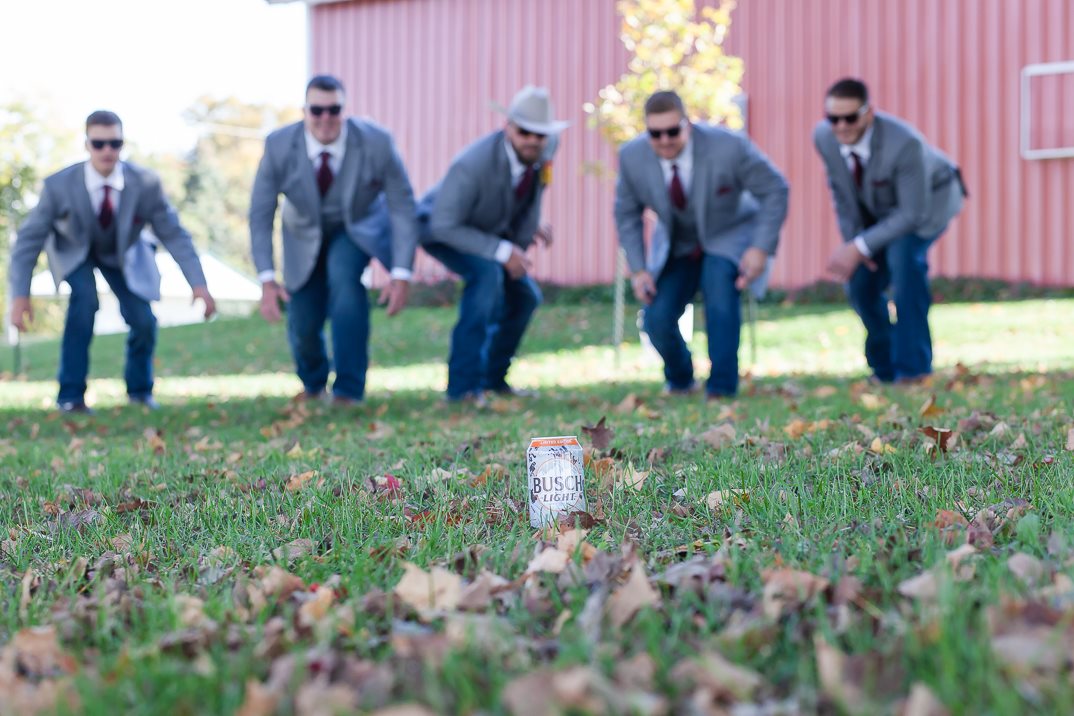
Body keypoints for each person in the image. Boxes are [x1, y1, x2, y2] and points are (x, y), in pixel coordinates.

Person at [8, 110, 215, 413]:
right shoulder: (58, 185)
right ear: (87, 144)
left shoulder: (145, 183)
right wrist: (19, 296)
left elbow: (175, 234)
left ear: (122, 143)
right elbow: (28, 241)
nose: (107, 150)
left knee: (144, 320)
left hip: (123, 254)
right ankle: (71, 396)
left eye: (114, 143)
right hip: (75, 252)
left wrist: (199, 284)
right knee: (84, 302)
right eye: (99, 143)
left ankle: (140, 392)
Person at [249, 74, 418, 405]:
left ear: (345, 109)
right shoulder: (278, 145)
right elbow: (260, 213)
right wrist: (267, 279)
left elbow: (402, 206)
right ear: (304, 111)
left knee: (345, 283)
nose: (326, 118)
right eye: (317, 110)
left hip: (356, 228)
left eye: (334, 109)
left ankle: (348, 390)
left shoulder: (377, 142)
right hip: (301, 234)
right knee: (303, 318)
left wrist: (401, 273)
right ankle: (313, 383)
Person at [614, 90, 789, 399]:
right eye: (656, 133)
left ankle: (722, 388)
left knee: (720, 299)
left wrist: (760, 248)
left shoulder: (729, 146)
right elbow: (627, 214)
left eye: (672, 131)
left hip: (728, 237)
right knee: (656, 317)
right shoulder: (631, 157)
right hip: (676, 247)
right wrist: (639, 269)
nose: (665, 140)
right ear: (646, 131)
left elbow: (775, 189)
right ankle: (681, 380)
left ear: (688, 124)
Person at [416, 85, 567, 403]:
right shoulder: (472, 164)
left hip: (488, 230)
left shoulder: (547, 149)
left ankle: (492, 379)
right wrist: (502, 251)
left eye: (540, 134)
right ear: (508, 127)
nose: (533, 141)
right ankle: (463, 390)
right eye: (525, 132)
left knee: (526, 297)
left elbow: (528, 194)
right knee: (487, 277)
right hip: (440, 228)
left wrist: (528, 230)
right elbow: (444, 223)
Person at [814, 78, 964, 385]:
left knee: (904, 263)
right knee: (861, 283)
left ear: (869, 113)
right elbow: (842, 195)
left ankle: (913, 369)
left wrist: (860, 246)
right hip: (880, 209)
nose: (841, 126)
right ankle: (883, 368)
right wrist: (855, 245)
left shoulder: (905, 143)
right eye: (833, 119)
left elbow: (911, 214)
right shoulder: (824, 138)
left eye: (850, 118)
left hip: (929, 202)